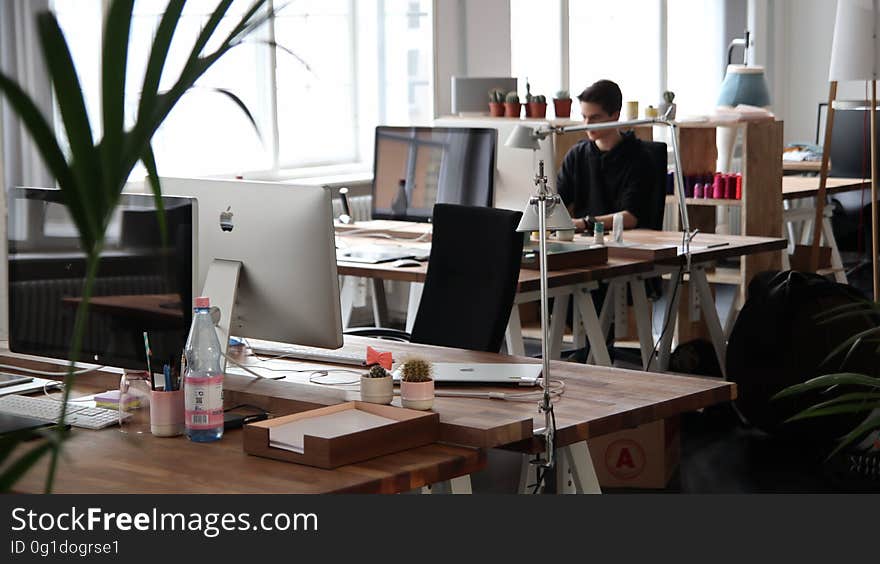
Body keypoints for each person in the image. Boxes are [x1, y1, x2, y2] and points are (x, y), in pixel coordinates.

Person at [557, 80, 655, 233]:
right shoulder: (576, 155)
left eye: (595, 117)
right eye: (584, 117)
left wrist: (585, 223)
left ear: (615, 115)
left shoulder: (640, 157)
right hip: (583, 241)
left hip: (627, 242)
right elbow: (557, 201)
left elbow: (631, 216)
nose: (587, 124)